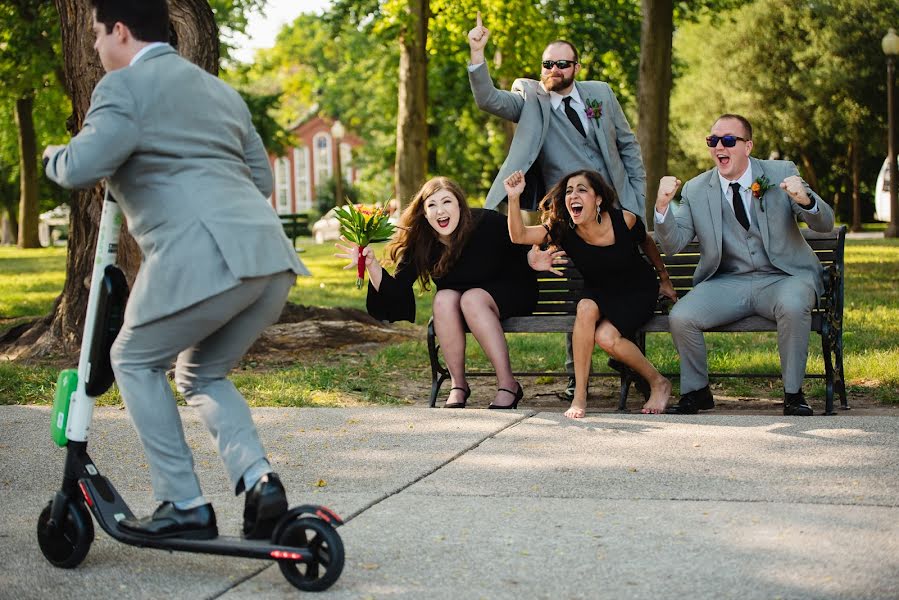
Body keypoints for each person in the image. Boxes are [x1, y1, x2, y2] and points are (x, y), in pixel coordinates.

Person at [43, 0, 307, 540]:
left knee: (133, 360)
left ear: (120, 31)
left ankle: (182, 502)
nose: (94, 48)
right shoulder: (219, 90)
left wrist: (53, 155)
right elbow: (259, 178)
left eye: (96, 35)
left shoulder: (122, 88)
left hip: (202, 257)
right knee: (201, 373)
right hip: (269, 257)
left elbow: (83, 165)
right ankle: (260, 485)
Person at [467, 11, 647, 400]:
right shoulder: (530, 98)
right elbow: (489, 99)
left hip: (613, 208)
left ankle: (623, 356)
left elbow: (629, 147)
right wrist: (477, 53)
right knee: (576, 287)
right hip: (567, 211)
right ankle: (574, 375)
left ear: (575, 67)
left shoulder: (600, 94)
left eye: (562, 63)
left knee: (624, 274)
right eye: (547, 63)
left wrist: (636, 203)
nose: (554, 69)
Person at [655, 114, 835, 416]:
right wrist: (662, 208)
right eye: (713, 141)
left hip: (784, 277)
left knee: (793, 305)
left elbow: (825, 223)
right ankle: (697, 392)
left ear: (747, 146)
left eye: (728, 140)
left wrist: (806, 201)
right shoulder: (698, 189)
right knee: (682, 316)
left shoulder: (781, 172)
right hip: (729, 282)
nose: (719, 147)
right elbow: (673, 244)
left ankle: (793, 394)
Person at [336, 176, 560, 409]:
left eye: (447, 202)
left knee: (472, 298)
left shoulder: (486, 222)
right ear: (423, 213)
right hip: (462, 301)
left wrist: (531, 258)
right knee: (443, 298)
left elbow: (521, 241)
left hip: (510, 289)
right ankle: (458, 385)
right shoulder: (422, 241)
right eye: (432, 205)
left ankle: (508, 385)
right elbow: (397, 288)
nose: (440, 211)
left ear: (460, 206)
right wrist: (371, 265)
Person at [504, 169, 677, 419]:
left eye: (582, 190)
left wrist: (664, 279)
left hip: (636, 290)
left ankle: (659, 382)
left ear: (597, 199)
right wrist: (513, 197)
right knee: (585, 307)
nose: (573, 195)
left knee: (606, 337)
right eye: (569, 191)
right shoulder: (562, 228)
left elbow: (647, 243)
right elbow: (518, 236)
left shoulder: (624, 220)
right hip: (599, 290)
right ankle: (580, 395)